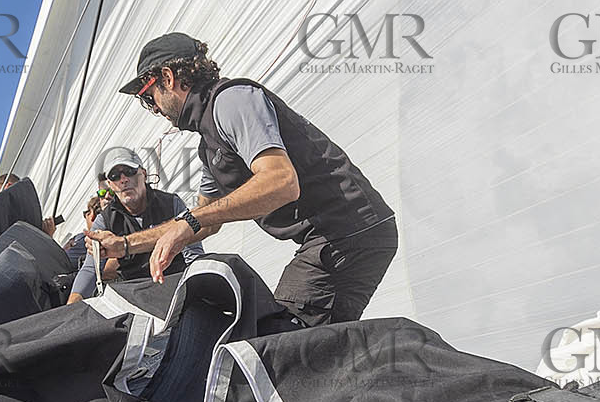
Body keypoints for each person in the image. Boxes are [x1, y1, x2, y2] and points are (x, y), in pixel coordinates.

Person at [91, 32, 397, 326]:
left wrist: (190, 222)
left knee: (285, 348)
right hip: (333, 237)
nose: (153, 109)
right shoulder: (208, 144)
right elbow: (206, 220)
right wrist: (125, 245)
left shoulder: (231, 100)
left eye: (149, 97)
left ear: (168, 79)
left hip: (349, 231)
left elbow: (281, 181)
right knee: (290, 346)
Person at [66, 147, 206, 305]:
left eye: (129, 171)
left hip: (175, 289)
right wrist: (71, 306)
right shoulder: (104, 221)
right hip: (135, 298)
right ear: (110, 184)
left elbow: (193, 255)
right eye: (115, 176)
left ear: (144, 174)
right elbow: (91, 269)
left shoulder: (171, 204)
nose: (123, 179)